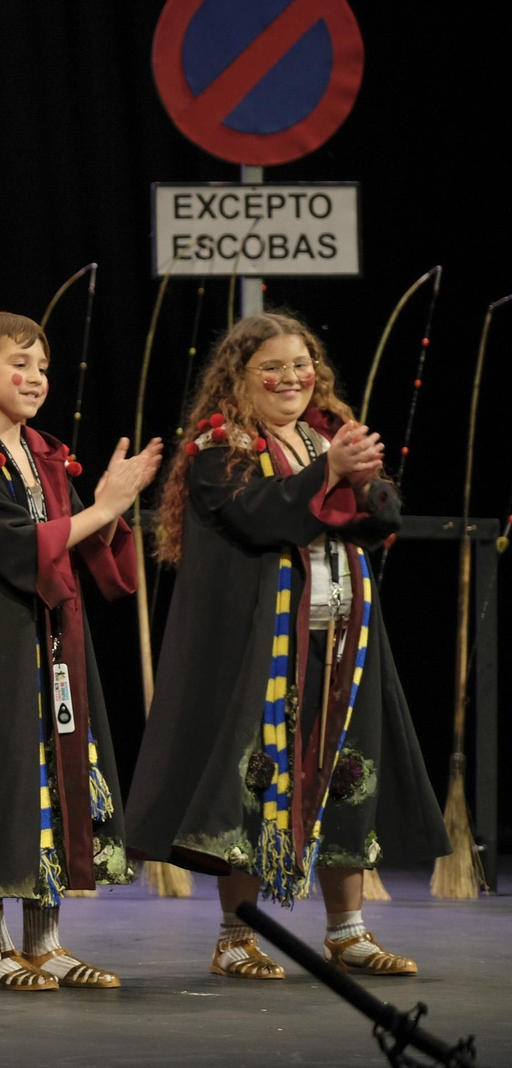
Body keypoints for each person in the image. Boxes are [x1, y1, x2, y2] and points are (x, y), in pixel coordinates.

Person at [126, 312, 449, 979]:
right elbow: (261, 514)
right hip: (265, 653)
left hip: (340, 642)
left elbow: (383, 514)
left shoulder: (324, 436)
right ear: (239, 377)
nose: (292, 377)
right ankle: (235, 938)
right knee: (252, 781)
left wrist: (358, 474)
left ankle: (348, 932)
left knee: (346, 773)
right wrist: (330, 471)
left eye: (301, 364)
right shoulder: (220, 448)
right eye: (271, 366)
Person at [0, 311, 161, 991]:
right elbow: (16, 542)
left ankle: (46, 944)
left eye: (43, 367)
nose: (35, 378)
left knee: (51, 778)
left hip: (53, 648)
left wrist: (117, 508)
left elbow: (85, 544)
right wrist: (102, 508)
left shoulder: (44, 453)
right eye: (19, 363)